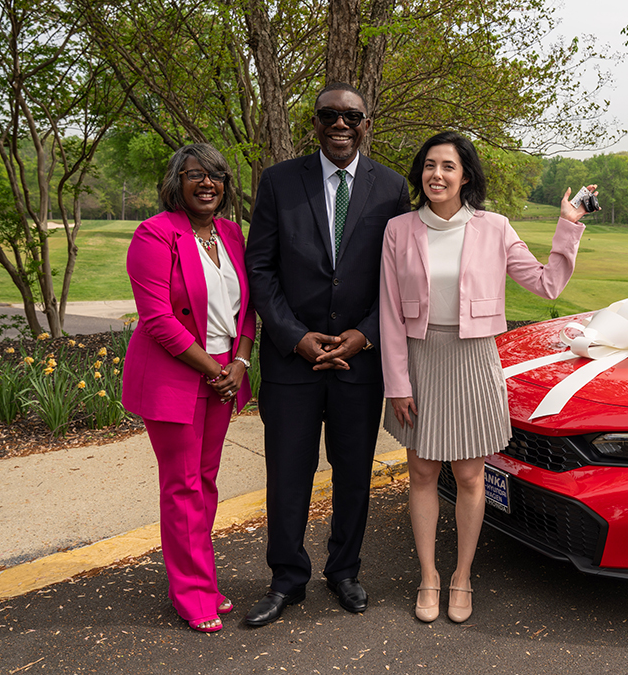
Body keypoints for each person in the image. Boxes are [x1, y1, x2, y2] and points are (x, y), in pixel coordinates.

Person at [380, 130, 594, 623]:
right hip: (420, 360)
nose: (437, 174)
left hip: (475, 360)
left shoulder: (495, 228)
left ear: (466, 175)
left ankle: (462, 576)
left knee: (471, 474)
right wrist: (397, 383)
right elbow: (389, 314)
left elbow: (547, 283)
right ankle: (430, 576)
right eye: (430, 165)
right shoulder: (398, 230)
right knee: (422, 473)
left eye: (448, 166)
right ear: (421, 174)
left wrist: (568, 227)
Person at [243, 82, 411, 627]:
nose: (340, 124)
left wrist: (364, 334)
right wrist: (295, 335)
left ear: (367, 123)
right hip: (293, 360)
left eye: (352, 116)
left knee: (353, 473)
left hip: (359, 361)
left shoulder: (391, 189)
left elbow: (399, 276)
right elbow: (260, 270)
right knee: (288, 474)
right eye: (329, 115)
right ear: (313, 123)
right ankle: (286, 580)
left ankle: (344, 571)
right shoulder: (278, 182)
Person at [122, 143, 256, 633]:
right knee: (182, 485)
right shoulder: (155, 234)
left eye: (216, 176)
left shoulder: (231, 234)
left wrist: (240, 359)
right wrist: (213, 369)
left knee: (205, 480)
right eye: (196, 175)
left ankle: (202, 578)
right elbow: (157, 319)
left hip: (224, 372)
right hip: (174, 375)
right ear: (176, 181)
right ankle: (191, 593)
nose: (207, 184)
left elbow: (248, 308)